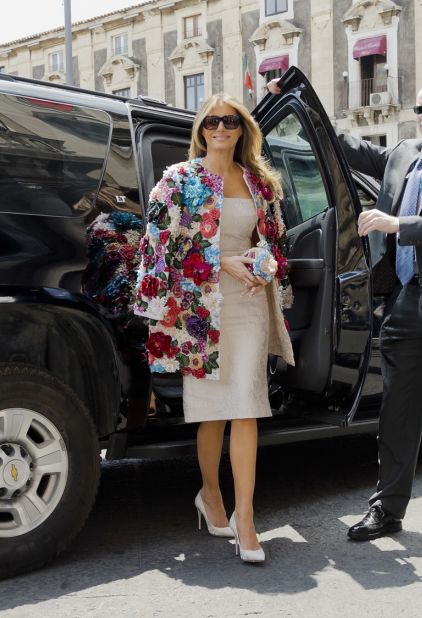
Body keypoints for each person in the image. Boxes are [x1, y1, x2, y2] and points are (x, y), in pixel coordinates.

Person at [270, 77, 422, 547]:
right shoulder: (400, 155)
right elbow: (341, 146)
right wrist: (287, 101)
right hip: (403, 302)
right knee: (397, 412)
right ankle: (388, 509)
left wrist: (400, 224)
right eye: (419, 107)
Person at [133, 93, 296, 564]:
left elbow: (277, 246)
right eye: (211, 122)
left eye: (229, 121)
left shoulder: (261, 183)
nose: (220, 128)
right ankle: (210, 495)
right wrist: (220, 259)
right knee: (213, 414)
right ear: (200, 129)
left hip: (247, 305)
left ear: (243, 128)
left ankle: (246, 518)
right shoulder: (179, 180)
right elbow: (156, 248)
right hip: (198, 313)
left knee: (246, 406)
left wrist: (262, 263)